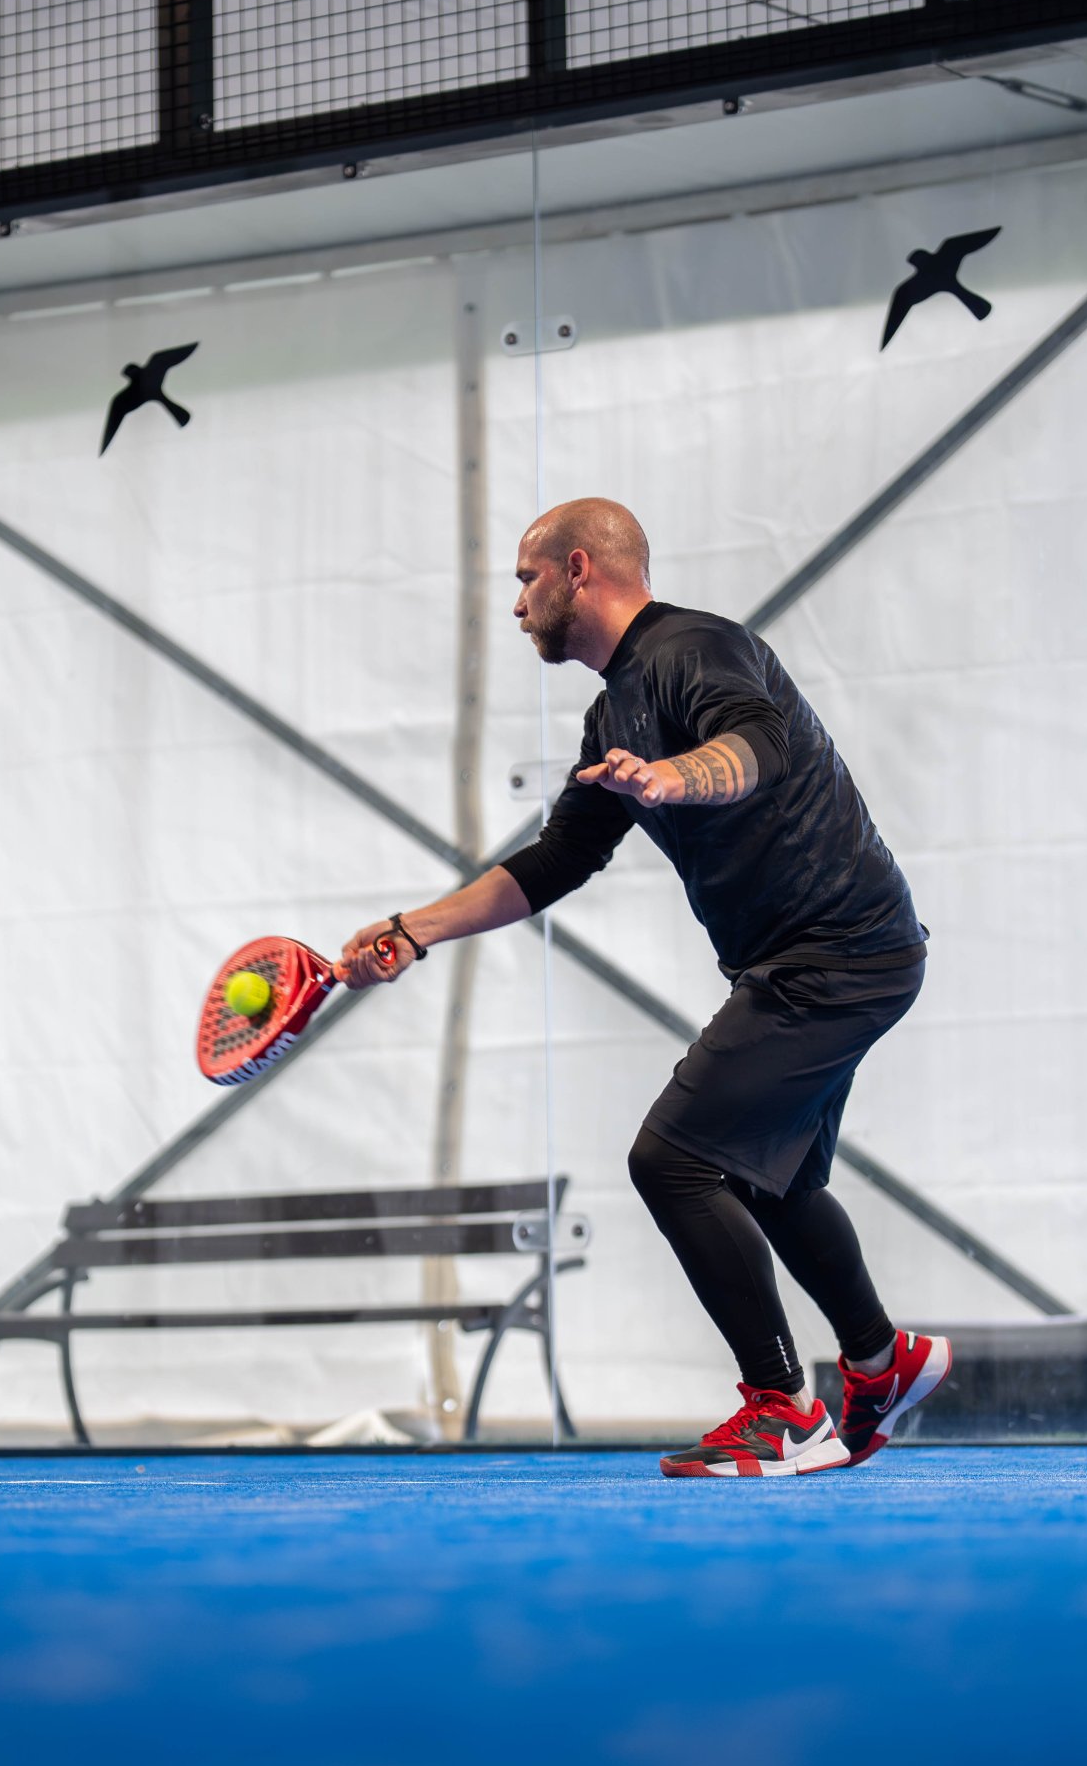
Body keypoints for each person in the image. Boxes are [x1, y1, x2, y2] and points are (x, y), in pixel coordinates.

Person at [339, 497, 951, 1478]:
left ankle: (785, 1410)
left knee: (673, 1159)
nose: (518, 605)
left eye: (527, 580)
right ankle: (884, 1360)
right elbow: (556, 860)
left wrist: (676, 778)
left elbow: (756, 746)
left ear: (578, 569)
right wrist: (415, 929)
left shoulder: (693, 649)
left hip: (835, 954)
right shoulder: (612, 710)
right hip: (835, 954)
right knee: (774, 1180)